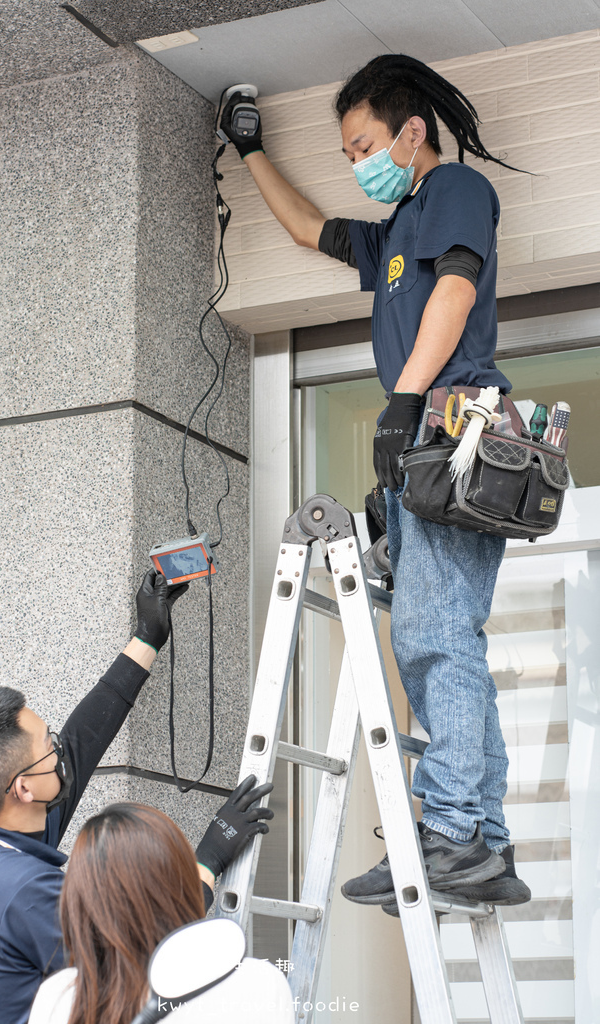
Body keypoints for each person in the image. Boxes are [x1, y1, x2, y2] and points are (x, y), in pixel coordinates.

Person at [219, 54, 531, 908]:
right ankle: (483, 846)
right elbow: (306, 229)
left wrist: (403, 402)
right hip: (427, 436)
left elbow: (457, 292)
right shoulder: (395, 231)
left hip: (453, 422)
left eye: (363, 145)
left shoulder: (454, 192)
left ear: (410, 132)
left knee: (435, 639)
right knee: (438, 640)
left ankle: (453, 831)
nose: (359, 161)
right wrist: (248, 150)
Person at [0, 570, 273, 1024]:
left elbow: (83, 740)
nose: (58, 748)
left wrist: (147, 636)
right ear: (23, 789)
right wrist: (209, 857)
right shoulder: (26, 893)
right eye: (46, 745)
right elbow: (152, 953)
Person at [28, 803, 295, 1024]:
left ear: (78, 902)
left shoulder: (60, 998)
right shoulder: (258, 984)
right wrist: (206, 862)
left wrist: (208, 863)